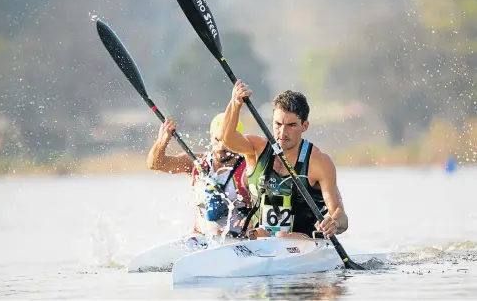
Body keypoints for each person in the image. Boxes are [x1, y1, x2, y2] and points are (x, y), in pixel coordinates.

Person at [218, 80, 349, 240]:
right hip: (261, 239)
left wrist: (333, 222)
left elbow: (340, 215)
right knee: (256, 233)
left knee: (282, 236)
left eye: (291, 125)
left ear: (305, 126)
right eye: (278, 124)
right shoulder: (256, 148)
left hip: (303, 242)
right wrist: (235, 103)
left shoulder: (319, 162)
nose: (283, 132)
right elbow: (226, 139)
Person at [147, 113, 252, 238]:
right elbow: (155, 164)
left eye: (227, 141)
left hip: (236, 240)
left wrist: (251, 220)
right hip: (201, 238)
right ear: (211, 137)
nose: (222, 147)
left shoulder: (248, 170)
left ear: (236, 140)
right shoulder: (195, 162)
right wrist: (162, 142)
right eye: (217, 140)